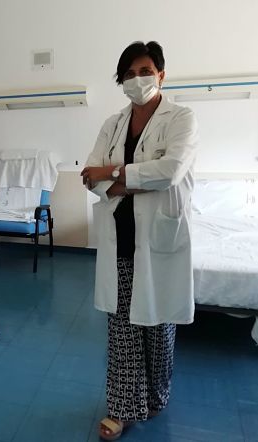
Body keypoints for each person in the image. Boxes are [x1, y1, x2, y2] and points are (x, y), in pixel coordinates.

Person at [81, 41, 198, 440]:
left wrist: (114, 175)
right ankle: (123, 408)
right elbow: (90, 176)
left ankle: (156, 397)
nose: (137, 80)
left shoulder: (181, 118)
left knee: (158, 326)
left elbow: (170, 171)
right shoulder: (113, 124)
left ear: (161, 75)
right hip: (121, 236)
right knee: (122, 329)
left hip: (160, 237)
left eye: (145, 71)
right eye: (129, 74)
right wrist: (118, 178)